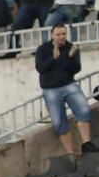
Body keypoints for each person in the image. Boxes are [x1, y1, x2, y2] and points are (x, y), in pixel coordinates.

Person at [35, 26, 94, 157]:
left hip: (68, 84)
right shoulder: (43, 49)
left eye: (63, 34)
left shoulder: (71, 47)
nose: (61, 37)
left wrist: (71, 57)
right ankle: (70, 153)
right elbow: (40, 68)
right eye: (58, 34)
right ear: (52, 35)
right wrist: (53, 58)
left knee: (83, 109)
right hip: (50, 88)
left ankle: (87, 144)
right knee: (58, 121)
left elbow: (75, 69)